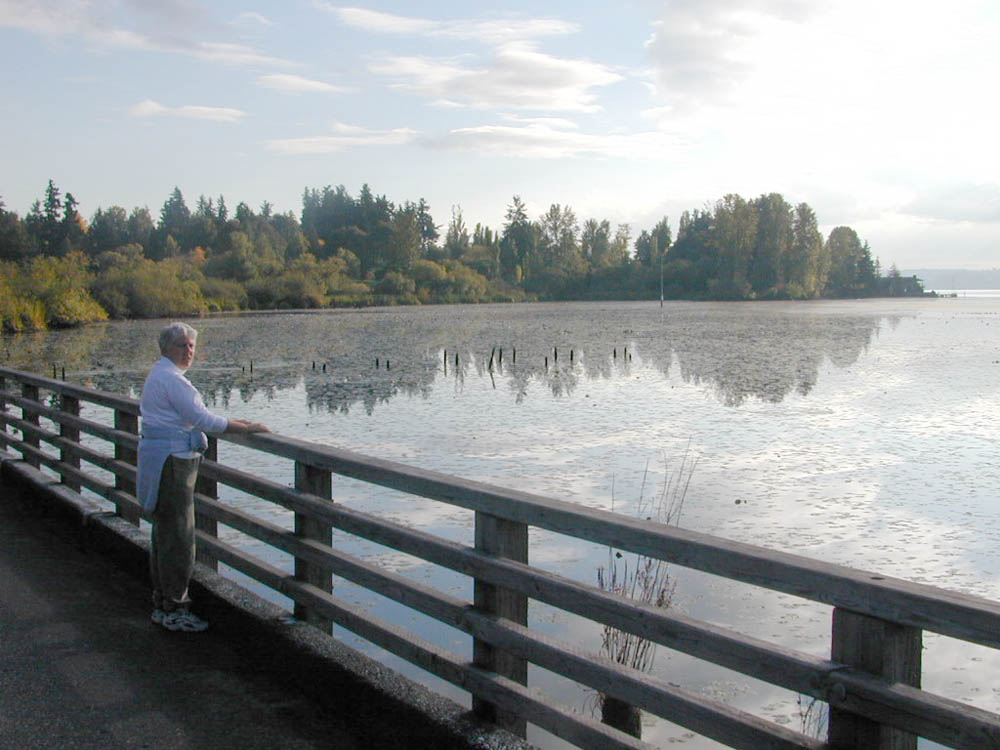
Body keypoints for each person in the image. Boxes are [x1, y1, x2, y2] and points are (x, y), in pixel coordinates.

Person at [137, 322, 269, 632]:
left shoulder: (160, 375)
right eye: (182, 346)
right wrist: (244, 427)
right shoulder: (172, 380)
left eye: (192, 346)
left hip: (161, 457)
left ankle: (164, 602)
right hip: (173, 461)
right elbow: (201, 419)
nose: (189, 351)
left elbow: (192, 417)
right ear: (167, 349)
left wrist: (234, 420)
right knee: (179, 535)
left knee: (166, 531)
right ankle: (174, 608)